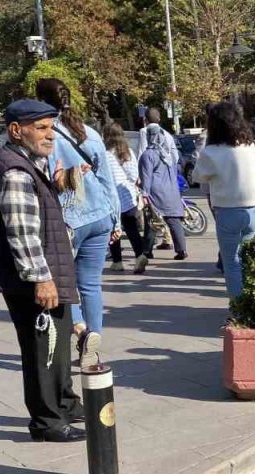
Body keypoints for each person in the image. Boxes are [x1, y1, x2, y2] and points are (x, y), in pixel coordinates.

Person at [0, 99, 85, 443]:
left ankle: (63, 403)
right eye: (41, 128)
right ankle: (47, 422)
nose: (50, 135)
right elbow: (20, 232)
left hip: (48, 273)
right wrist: (42, 278)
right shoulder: (16, 170)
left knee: (57, 343)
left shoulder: (26, 164)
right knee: (44, 350)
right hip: (35, 279)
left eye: (51, 127)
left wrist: (60, 185)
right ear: (16, 130)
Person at [36, 78, 121, 370]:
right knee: (91, 285)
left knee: (62, 283)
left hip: (68, 221)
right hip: (99, 215)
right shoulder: (89, 132)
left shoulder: (44, 138)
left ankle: (80, 330)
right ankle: (93, 346)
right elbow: (108, 179)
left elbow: (45, 181)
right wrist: (116, 219)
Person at [191, 101, 255, 299]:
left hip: (228, 210)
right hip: (254, 208)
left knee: (232, 261)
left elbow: (198, 176)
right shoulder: (252, 146)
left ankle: (239, 308)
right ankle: (253, 301)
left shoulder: (211, 152)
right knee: (247, 258)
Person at [103, 123, 147, 274]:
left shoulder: (105, 154)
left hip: (112, 197)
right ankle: (140, 255)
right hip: (128, 195)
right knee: (132, 229)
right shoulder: (128, 153)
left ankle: (117, 261)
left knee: (114, 230)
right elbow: (135, 176)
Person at [138, 123, 186, 261]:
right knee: (173, 220)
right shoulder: (168, 154)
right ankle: (182, 250)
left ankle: (147, 251)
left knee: (152, 221)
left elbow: (146, 177)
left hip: (156, 192)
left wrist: (145, 194)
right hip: (172, 190)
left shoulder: (148, 155)